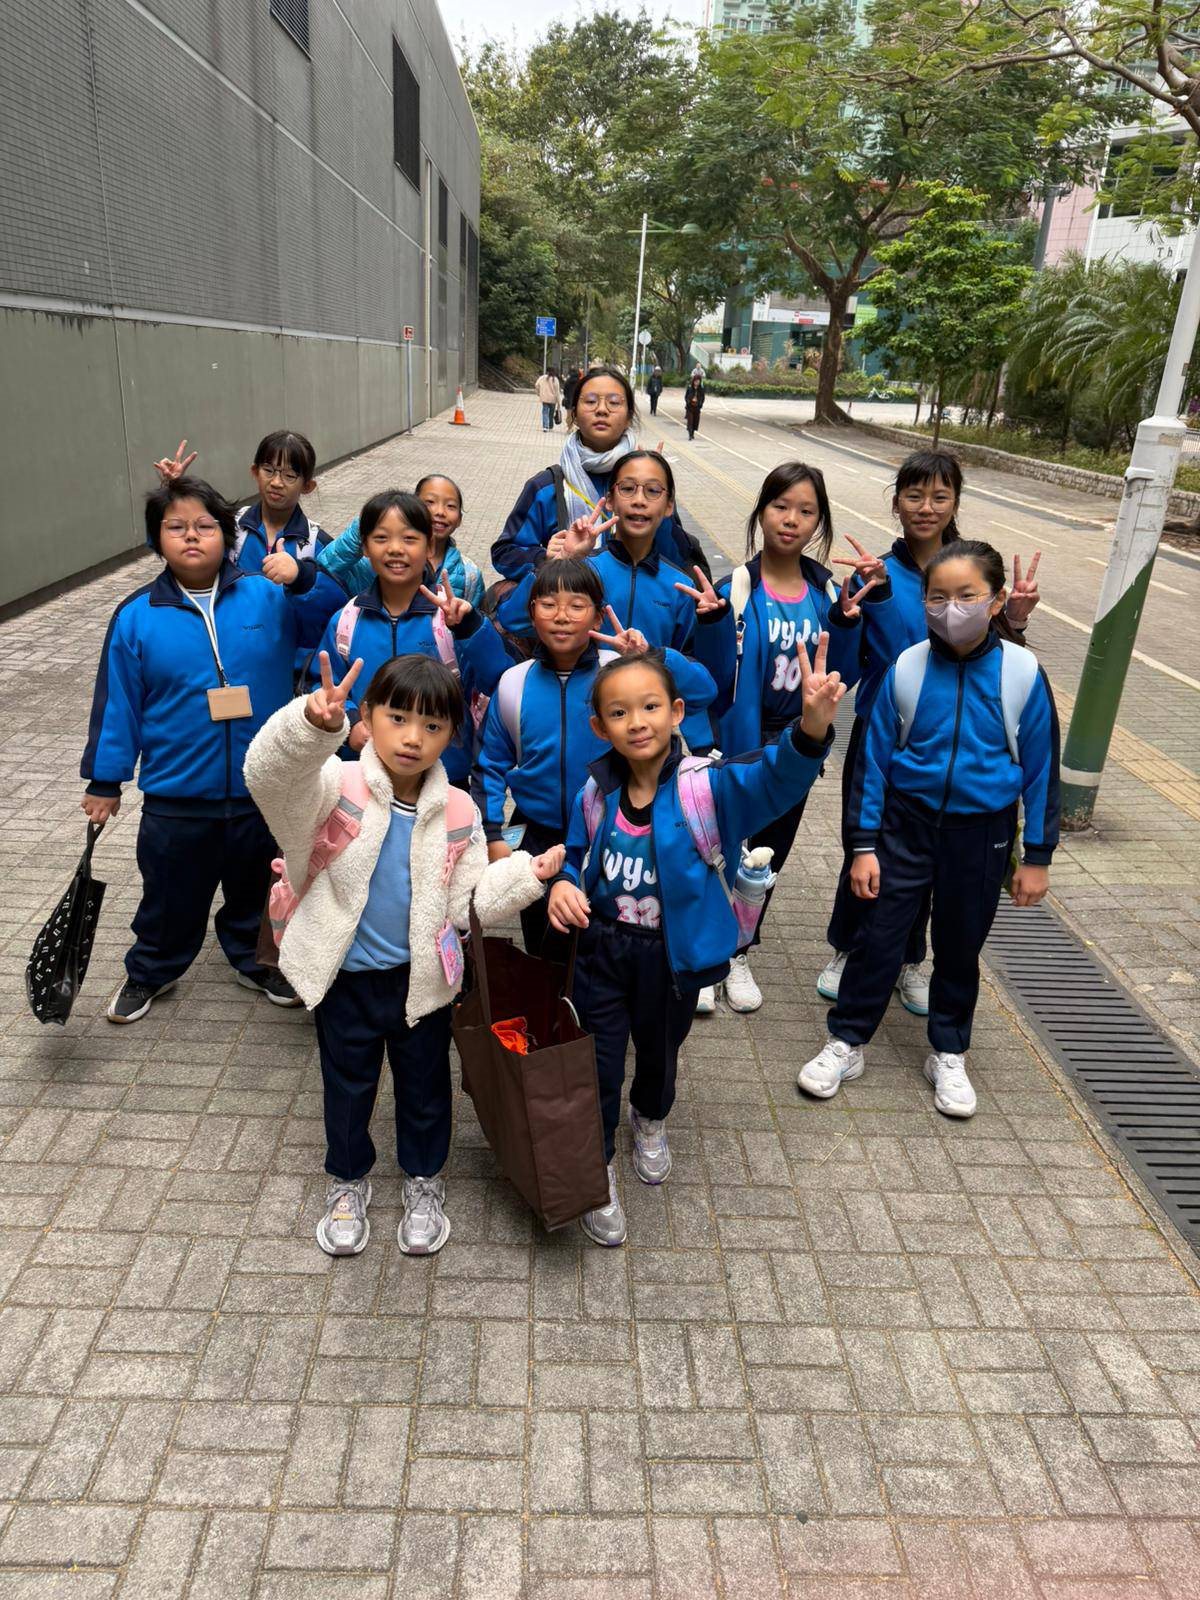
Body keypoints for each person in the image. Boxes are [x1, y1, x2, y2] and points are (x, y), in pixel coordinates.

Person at [244, 652, 563, 1258]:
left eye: (432, 725)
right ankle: (347, 1180)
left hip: (422, 984)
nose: (413, 738)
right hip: (345, 978)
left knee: (424, 1089)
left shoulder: (460, 810)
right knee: (347, 1086)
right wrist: (309, 725)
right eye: (397, 718)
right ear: (367, 717)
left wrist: (527, 874)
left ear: (452, 734)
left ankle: (423, 1179)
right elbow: (268, 780)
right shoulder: (336, 785)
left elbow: (470, 900)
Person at [546, 639, 847, 1246]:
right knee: (597, 1062)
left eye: (650, 706)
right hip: (602, 950)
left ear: (677, 711)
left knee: (660, 1051)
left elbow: (772, 781)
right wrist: (563, 884)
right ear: (599, 726)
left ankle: (650, 1116)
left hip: (671, 957)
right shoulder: (594, 792)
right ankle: (597, 1166)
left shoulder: (706, 788)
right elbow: (576, 855)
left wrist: (810, 730)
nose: (637, 722)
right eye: (619, 712)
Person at [799, 540, 1059, 1120]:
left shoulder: (1022, 672)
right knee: (878, 937)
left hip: (982, 834)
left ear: (995, 602)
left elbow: (1042, 769)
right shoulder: (908, 667)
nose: (951, 609)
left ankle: (949, 1051)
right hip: (905, 826)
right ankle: (846, 1040)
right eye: (937, 598)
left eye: (967, 596)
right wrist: (863, 847)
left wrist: (1037, 857)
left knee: (961, 946)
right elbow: (871, 766)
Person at [81, 475, 325, 1024]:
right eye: (176, 527)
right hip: (177, 795)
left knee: (256, 888)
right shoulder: (137, 614)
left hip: (261, 788)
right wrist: (105, 780)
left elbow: (332, 609)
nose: (191, 536)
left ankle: (255, 960)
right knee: (169, 896)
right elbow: (118, 704)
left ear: (226, 536)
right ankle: (152, 969)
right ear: (156, 540)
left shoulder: (268, 596)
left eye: (204, 526)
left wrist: (305, 575)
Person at [819, 450, 1042, 1012]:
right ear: (895, 503)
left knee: (933, 855)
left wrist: (1014, 620)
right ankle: (851, 947)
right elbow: (861, 661)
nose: (926, 507)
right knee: (867, 845)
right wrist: (861, 607)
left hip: (955, 744)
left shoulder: (972, 570)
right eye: (914, 495)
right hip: (884, 731)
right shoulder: (874, 571)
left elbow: (995, 660)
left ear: (955, 503)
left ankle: (909, 958)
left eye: (940, 496)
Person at [687, 463, 869, 1015]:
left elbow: (841, 677)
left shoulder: (826, 593)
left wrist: (847, 624)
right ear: (761, 512)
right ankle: (704, 955)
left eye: (806, 510)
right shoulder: (736, 590)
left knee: (770, 853)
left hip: (797, 743)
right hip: (739, 742)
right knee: (718, 846)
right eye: (781, 506)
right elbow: (713, 681)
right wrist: (713, 623)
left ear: (819, 522)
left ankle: (739, 950)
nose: (791, 519)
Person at [474, 558, 716, 960]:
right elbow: (489, 765)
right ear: (531, 613)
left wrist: (652, 657)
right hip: (536, 836)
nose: (561, 616)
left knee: (603, 944)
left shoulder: (618, 675)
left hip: (612, 832)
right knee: (544, 947)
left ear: (599, 615)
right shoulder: (514, 683)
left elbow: (704, 691)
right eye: (548, 604)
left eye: (576, 605)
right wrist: (494, 835)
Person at [308, 491, 508, 788]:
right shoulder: (347, 621)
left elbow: (498, 679)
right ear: (364, 547)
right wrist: (350, 722)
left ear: (430, 546)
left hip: (443, 777)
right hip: (364, 776)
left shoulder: (451, 620)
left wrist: (471, 627)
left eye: (409, 538)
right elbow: (324, 685)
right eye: (381, 538)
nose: (395, 549)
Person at [491, 364, 709, 583]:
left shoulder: (651, 486)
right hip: (570, 602)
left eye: (614, 403)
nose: (602, 410)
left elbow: (677, 559)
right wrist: (544, 557)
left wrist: (654, 491)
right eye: (590, 401)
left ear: (629, 416)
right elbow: (505, 552)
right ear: (574, 413)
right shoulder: (546, 487)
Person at [153, 432, 347, 674]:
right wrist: (173, 495)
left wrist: (301, 576)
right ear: (254, 472)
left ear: (308, 486)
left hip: (288, 670)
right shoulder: (229, 526)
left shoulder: (317, 543)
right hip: (229, 656)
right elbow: (174, 545)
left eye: (289, 475)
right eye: (269, 470)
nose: (276, 482)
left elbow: (335, 609)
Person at [496, 451, 700, 668]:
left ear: (669, 505)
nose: (639, 500)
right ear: (610, 500)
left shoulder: (681, 587)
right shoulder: (583, 569)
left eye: (653, 490)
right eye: (628, 489)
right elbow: (513, 620)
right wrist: (561, 561)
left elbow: (692, 672)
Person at [318, 475, 483, 606]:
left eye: (451, 506)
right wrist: (365, 526)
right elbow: (323, 571)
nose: (440, 511)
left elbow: (472, 626)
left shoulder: (470, 574)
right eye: (429, 502)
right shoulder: (376, 559)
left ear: (460, 518)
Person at [684, 373, 705, 440]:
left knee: (695, 421)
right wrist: (688, 401)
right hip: (690, 407)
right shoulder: (690, 388)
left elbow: (703, 398)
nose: (696, 383)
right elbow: (686, 396)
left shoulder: (701, 389)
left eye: (698, 381)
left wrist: (700, 404)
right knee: (690, 421)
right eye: (695, 381)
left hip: (697, 407)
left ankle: (692, 433)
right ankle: (690, 434)